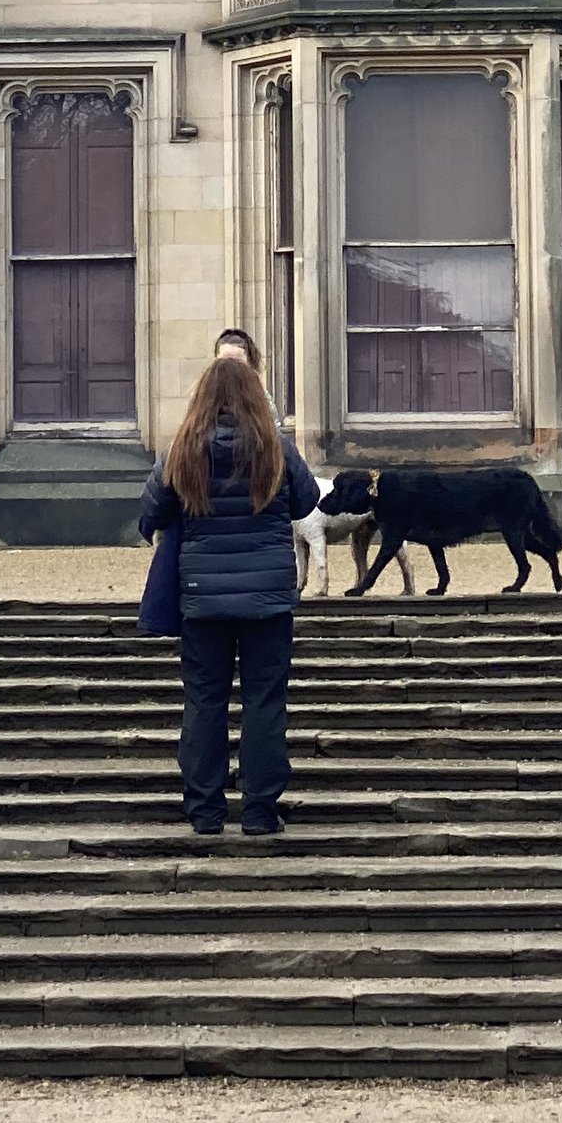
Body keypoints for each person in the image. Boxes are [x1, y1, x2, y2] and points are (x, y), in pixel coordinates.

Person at [139, 348, 320, 842]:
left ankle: (205, 810)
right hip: (267, 598)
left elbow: (151, 513)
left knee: (204, 701)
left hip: (202, 598)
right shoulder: (277, 449)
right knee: (265, 701)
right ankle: (259, 810)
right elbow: (307, 502)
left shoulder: (181, 449)